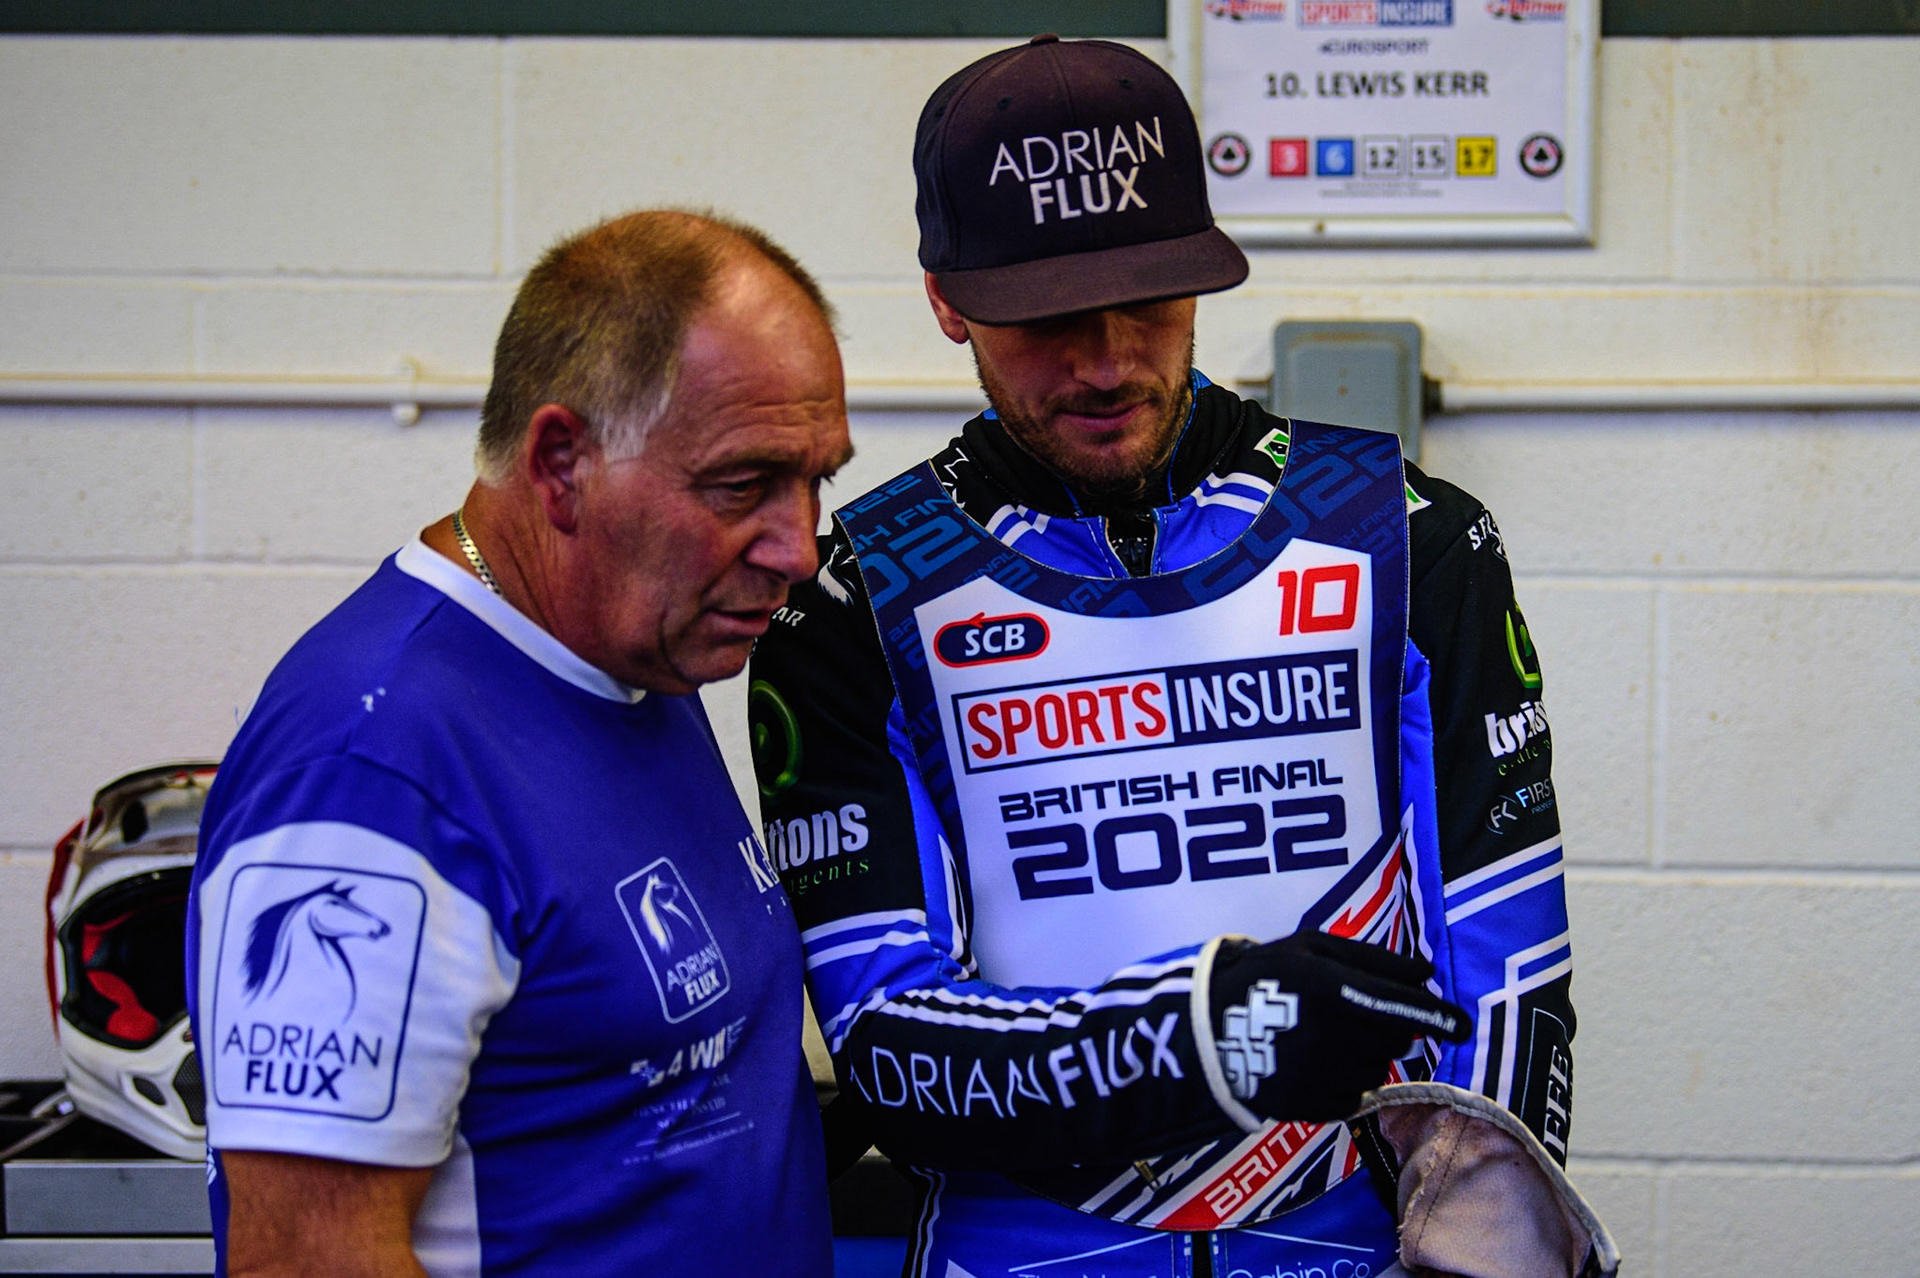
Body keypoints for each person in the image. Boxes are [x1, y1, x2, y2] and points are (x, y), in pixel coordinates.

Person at [750, 37, 1580, 1278]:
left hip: (1355, 1247)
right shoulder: (849, 600)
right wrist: (1206, 1039)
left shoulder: (1412, 539)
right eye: (1047, 313)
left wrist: (1487, 1259)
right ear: (946, 299)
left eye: (1150, 295)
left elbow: (1505, 972)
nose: (1107, 359)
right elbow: (885, 1048)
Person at [186, 210, 851, 1277]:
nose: (799, 547)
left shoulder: (634, 652)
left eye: (819, 479)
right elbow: (304, 1258)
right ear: (561, 463)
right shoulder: (370, 774)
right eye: (743, 485)